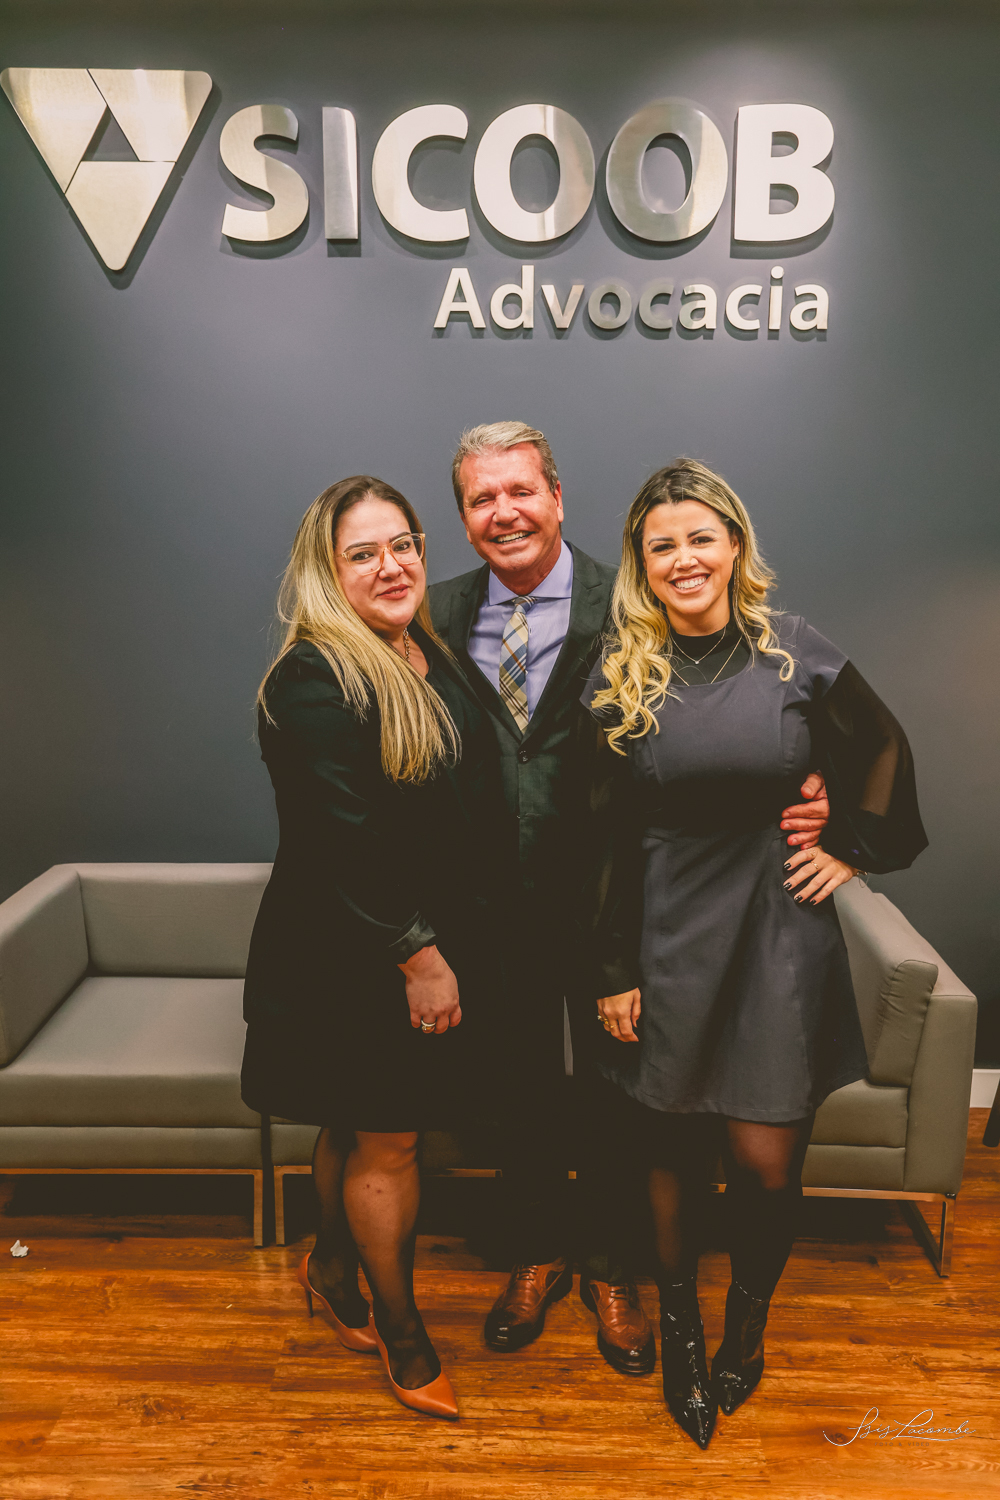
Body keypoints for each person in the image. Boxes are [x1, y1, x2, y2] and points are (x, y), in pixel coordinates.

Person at [429, 422, 832, 1372]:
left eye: (520, 491)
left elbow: (737, 712)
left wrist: (823, 804)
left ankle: (613, 1271)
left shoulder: (635, 601)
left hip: (624, 903)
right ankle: (536, 1254)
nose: (504, 512)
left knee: (623, 1101)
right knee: (520, 1092)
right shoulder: (435, 614)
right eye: (482, 499)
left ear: (557, 496)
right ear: (464, 516)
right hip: (491, 907)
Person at [583, 458, 927, 1446]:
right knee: (669, 1152)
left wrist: (847, 844)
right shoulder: (620, 671)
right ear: (642, 565)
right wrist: (613, 969)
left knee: (766, 1163)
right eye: (662, 546)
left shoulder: (795, 651)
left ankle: (747, 1323)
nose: (683, 558)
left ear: (734, 545)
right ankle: (681, 1329)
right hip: (667, 934)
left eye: (701, 537)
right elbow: (601, 839)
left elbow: (884, 748)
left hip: (778, 931)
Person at [241, 475, 500, 1422]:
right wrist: (419, 957)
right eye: (363, 553)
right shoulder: (312, 679)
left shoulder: (422, 648)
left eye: (404, 544)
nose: (391, 566)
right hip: (353, 953)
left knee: (352, 1125)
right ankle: (403, 1330)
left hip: (408, 934)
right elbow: (342, 839)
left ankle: (329, 1270)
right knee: (389, 1137)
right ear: (327, 569)